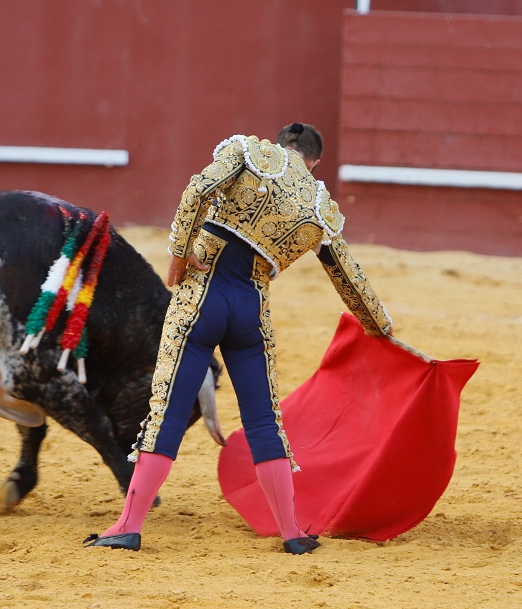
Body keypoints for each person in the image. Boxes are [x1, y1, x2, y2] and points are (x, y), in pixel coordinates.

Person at [83, 123, 393, 555]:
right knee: (265, 421)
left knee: (167, 412)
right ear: (315, 162)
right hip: (250, 311)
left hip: (202, 296)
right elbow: (350, 280)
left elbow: (197, 191)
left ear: (281, 144)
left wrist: (178, 253)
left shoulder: (248, 152)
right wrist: (382, 328)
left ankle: (128, 525)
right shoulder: (320, 205)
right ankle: (292, 533)